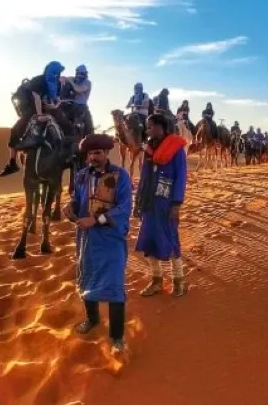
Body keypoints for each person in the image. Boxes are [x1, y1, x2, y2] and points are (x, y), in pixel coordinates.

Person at [64, 133, 132, 354]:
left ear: (106, 153)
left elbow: (124, 208)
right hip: (87, 238)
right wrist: (71, 207)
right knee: (87, 278)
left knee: (114, 284)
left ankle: (117, 337)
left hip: (111, 238)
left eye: (97, 153)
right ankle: (92, 319)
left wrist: (95, 220)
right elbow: (77, 198)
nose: (93, 157)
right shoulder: (82, 175)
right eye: (90, 153)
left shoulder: (121, 176)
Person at [134, 113, 188, 297]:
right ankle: (156, 280)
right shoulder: (149, 148)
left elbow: (181, 176)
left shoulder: (176, 148)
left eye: (150, 126)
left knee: (170, 239)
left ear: (160, 126)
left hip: (167, 203)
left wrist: (176, 204)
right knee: (149, 240)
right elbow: (144, 175)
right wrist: (138, 200)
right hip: (149, 201)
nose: (147, 129)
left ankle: (179, 280)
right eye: (147, 126)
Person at [0, 61, 71, 177]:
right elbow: (36, 98)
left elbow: (56, 99)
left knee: (65, 122)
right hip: (31, 105)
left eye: (58, 72)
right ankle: (12, 162)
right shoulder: (39, 80)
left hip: (45, 105)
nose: (56, 74)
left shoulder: (56, 83)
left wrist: (54, 106)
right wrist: (39, 115)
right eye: (54, 71)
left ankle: (68, 153)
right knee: (16, 129)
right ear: (48, 70)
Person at [62, 64, 94, 135]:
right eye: (78, 73)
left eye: (82, 74)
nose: (79, 75)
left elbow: (78, 89)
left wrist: (71, 81)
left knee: (88, 129)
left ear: (85, 74)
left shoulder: (87, 82)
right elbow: (62, 78)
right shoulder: (73, 79)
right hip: (69, 105)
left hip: (81, 107)